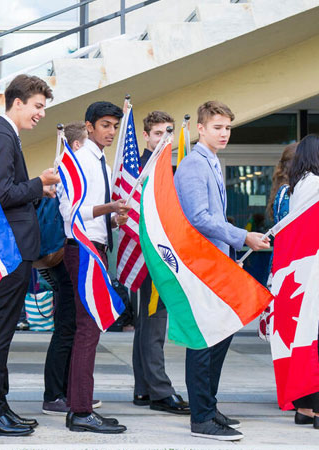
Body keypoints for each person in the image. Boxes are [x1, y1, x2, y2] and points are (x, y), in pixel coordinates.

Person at [174, 101, 270, 441]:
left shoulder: (211, 162)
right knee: (204, 340)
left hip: (215, 264)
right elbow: (199, 217)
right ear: (201, 129)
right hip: (201, 266)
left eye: (228, 127)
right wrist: (242, 236)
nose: (224, 133)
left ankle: (208, 406)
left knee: (221, 334)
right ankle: (201, 417)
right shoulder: (192, 166)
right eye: (217, 127)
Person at [0, 74, 59, 437]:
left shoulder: (7, 136)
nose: (41, 113)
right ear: (18, 102)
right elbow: (0, 193)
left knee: (4, 331)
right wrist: (38, 185)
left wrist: (38, 190)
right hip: (8, 249)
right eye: (38, 106)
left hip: (15, 248)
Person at [60, 101, 129, 434]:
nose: (111, 132)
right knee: (88, 329)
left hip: (94, 247)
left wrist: (113, 218)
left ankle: (81, 407)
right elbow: (73, 211)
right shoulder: (79, 159)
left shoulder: (98, 159)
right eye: (105, 125)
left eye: (114, 126)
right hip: (82, 250)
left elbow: (95, 215)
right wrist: (110, 206)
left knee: (90, 328)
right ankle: (80, 411)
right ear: (88, 127)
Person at [130, 111, 189, 415]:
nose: (164, 139)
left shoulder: (168, 169)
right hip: (150, 257)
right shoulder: (141, 170)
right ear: (146, 136)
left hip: (160, 256)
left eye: (168, 133)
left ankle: (144, 388)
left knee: (147, 324)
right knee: (153, 324)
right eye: (157, 134)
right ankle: (160, 392)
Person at [41, 121, 89, 415]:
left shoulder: (64, 171)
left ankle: (66, 391)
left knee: (70, 325)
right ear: (77, 145)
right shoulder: (65, 174)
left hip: (60, 254)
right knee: (67, 327)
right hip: (62, 253)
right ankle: (54, 394)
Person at [285, 135, 319, 428]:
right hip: (314, 268)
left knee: (305, 337)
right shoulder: (316, 185)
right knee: (314, 340)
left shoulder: (298, 185)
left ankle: (305, 407)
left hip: (303, 268)